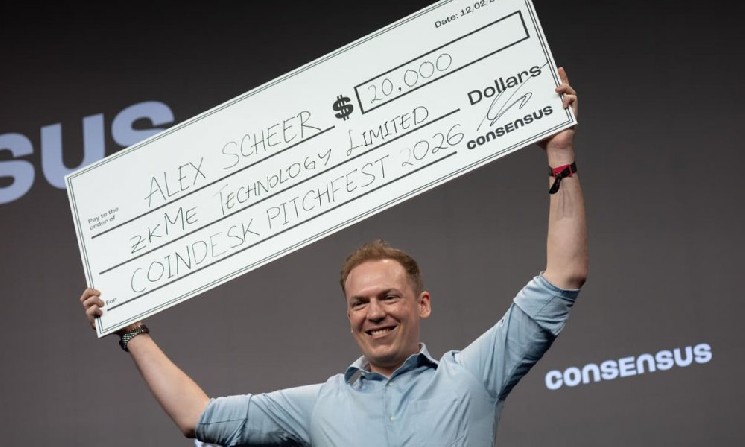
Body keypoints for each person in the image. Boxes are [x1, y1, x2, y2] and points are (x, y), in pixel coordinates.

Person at [80, 67, 586, 446]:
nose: (375, 312)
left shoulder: (474, 376)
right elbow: (198, 416)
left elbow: (564, 275)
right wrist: (132, 331)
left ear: (423, 303)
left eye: (389, 297)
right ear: (348, 317)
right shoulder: (317, 407)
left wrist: (559, 155)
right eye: (360, 303)